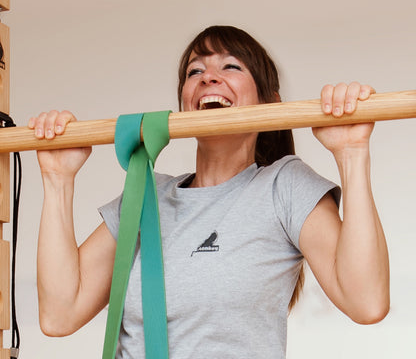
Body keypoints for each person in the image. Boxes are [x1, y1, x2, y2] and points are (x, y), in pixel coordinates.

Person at [29, 26, 390, 358]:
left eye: (231, 66)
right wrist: (57, 178)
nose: (209, 78)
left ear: (270, 103)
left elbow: (366, 302)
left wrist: (352, 153)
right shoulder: (146, 195)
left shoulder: (284, 186)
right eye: (194, 71)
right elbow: (59, 316)